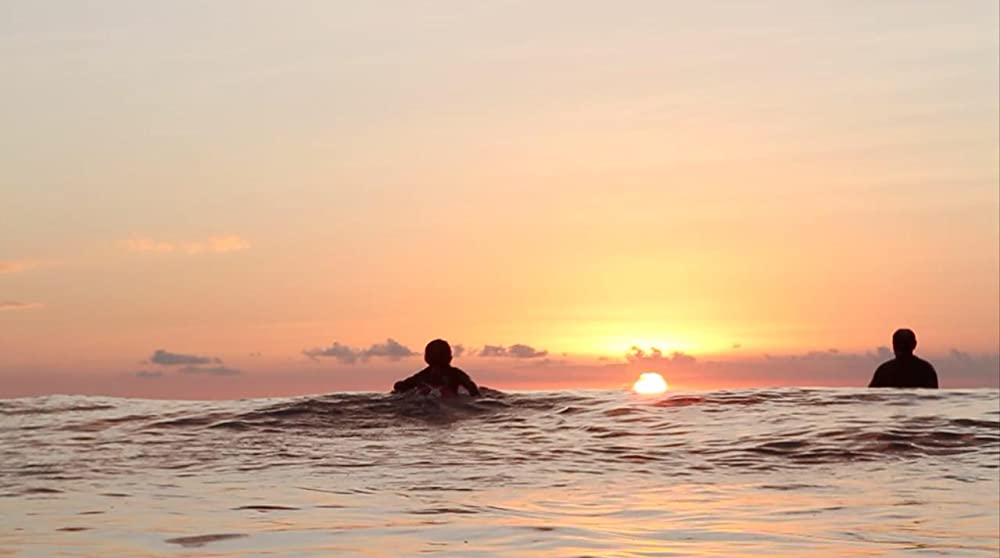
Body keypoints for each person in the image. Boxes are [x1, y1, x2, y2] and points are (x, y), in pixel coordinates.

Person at [393, 339, 481, 397]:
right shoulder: (456, 374)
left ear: (426, 358)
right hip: (450, 404)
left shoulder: (422, 376)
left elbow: (400, 386)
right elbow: (474, 391)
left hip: (425, 403)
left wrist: (398, 385)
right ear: (450, 358)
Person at [868, 328, 938, 388]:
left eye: (903, 344)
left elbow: (872, 395)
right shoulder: (926, 370)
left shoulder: (884, 370)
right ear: (914, 344)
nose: (901, 346)